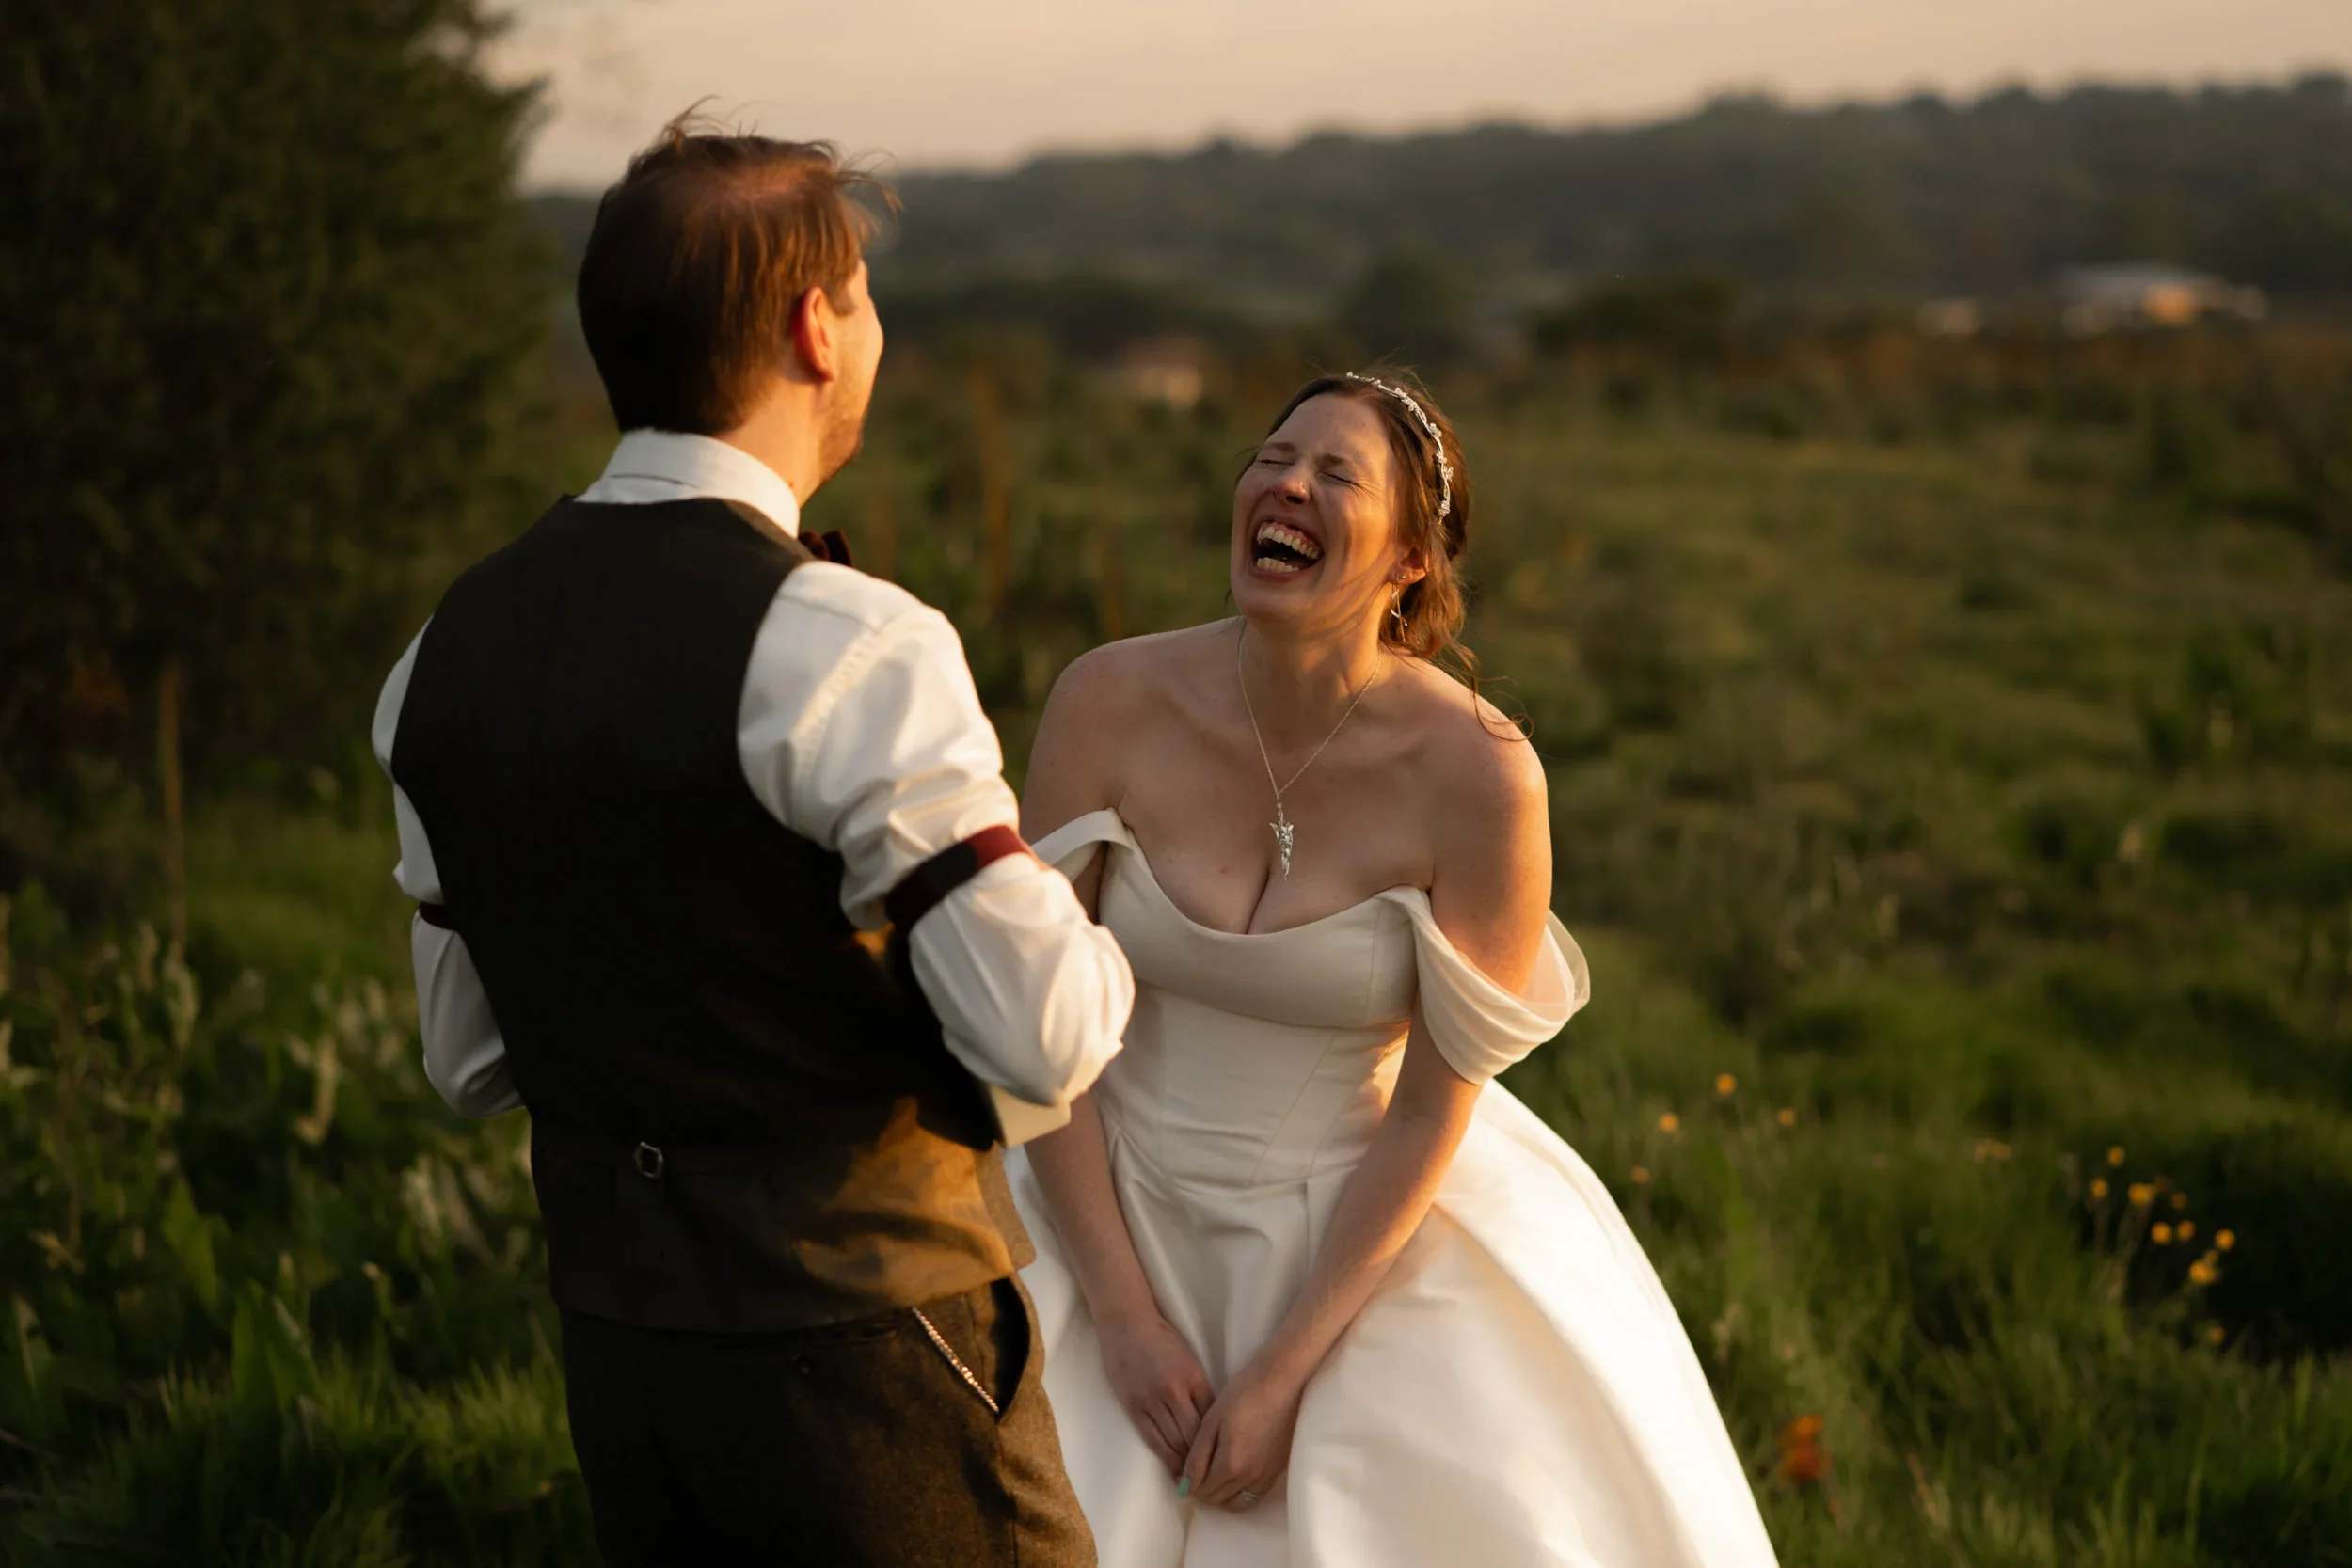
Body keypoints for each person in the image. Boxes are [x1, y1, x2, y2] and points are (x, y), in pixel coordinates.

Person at [369, 117, 1130, 1567]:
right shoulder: (853, 641)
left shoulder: (439, 656)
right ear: (813, 328)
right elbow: (1042, 1036)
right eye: (863, 292)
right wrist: (1090, 929)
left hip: (625, 1357)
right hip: (874, 1356)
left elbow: (469, 1060)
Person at [1009, 370, 1782, 1566]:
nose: (1287, 485)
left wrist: (1279, 1373)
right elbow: (1031, 1026)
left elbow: (1432, 1103)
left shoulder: (1482, 776)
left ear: (1410, 559)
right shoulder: (1105, 698)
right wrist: (1119, 1312)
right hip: (1090, 1200)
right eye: (1271, 458)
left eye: (1335, 473)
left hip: (1350, 1230)